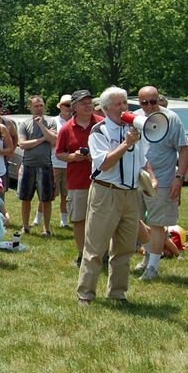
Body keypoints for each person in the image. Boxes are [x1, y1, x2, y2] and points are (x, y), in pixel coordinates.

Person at [76, 87, 155, 306]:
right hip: (106, 192)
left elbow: (141, 162)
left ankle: (118, 292)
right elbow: (104, 163)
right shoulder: (98, 131)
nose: (124, 108)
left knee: (125, 247)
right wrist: (126, 144)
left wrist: (150, 177)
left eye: (125, 104)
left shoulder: (133, 129)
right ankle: (86, 293)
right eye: (119, 104)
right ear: (107, 107)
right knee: (95, 246)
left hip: (130, 194)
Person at [132, 86, 188, 281]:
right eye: (144, 102)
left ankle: (153, 268)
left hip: (163, 181)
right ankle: (148, 257)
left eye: (153, 101)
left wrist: (179, 178)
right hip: (137, 179)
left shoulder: (171, 118)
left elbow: (183, 150)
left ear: (159, 100)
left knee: (157, 224)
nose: (149, 106)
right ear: (139, 102)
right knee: (135, 220)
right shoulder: (135, 118)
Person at [55, 90, 103, 266]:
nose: (88, 105)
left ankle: (101, 253)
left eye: (90, 102)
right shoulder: (67, 128)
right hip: (77, 181)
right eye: (83, 102)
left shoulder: (102, 124)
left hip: (101, 180)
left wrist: (95, 157)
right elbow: (59, 153)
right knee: (78, 219)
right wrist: (73, 157)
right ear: (74, 107)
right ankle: (83, 254)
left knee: (100, 220)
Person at [16, 95, 58, 236]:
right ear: (30, 107)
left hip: (45, 165)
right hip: (28, 165)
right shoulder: (24, 124)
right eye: (36, 106)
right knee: (25, 198)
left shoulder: (51, 122)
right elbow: (22, 144)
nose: (39, 108)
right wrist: (42, 139)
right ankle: (25, 226)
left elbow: (53, 140)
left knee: (46, 199)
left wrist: (41, 125)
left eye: (41, 105)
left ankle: (46, 229)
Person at [50, 94, 73, 228]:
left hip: (70, 163)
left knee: (66, 194)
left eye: (71, 105)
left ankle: (63, 221)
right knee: (49, 194)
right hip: (54, 162)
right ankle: (38, 218)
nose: (69, 108)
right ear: (60, 107)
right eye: (66, 105)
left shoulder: (75, 121)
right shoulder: (53, 121)